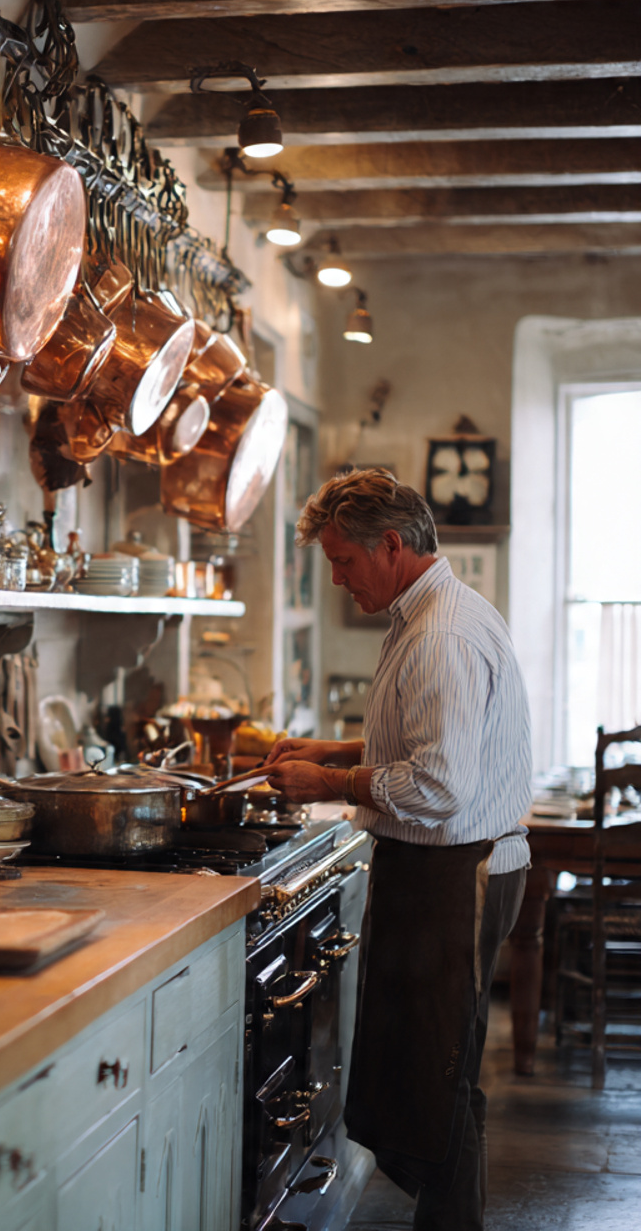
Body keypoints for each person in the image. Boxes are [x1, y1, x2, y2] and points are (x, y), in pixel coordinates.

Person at [263, 467, 531, 1231]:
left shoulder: (441, 631)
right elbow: (424, 740)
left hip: (457, 872)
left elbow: (440, 783)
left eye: (344, 563)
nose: (339, 580)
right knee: (437, 1079)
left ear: (390, 544)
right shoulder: (431, 613)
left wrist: (331, 778)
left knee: (436, 1081)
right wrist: (330, 746)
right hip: (447, 866)